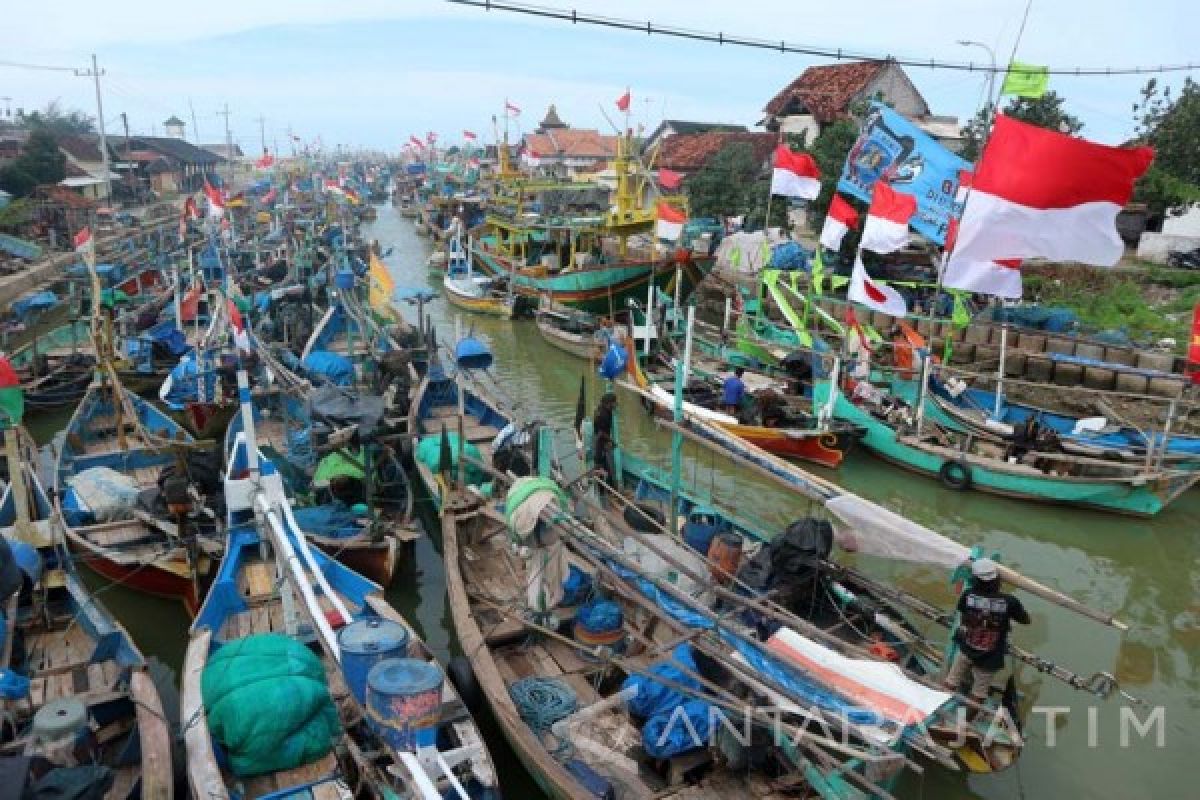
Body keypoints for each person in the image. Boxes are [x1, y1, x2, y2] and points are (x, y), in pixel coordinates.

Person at [944, 558, 1031, 704]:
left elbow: (963, 613)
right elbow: (1026, 620)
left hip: (966, 648)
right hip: (989, 656)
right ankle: (966, 723)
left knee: (951, 681)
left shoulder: (968, 595)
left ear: (975, 579)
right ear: (996, 579)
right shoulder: (1009, 601)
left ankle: (938, 706)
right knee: (978, 693)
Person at [592, 392, 618, 488]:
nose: (616, 404)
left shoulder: (604, 410)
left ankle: (606, 485)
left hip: (602, 439)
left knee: (605, 465)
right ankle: (602, 488)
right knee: (601, 465)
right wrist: (611, 441)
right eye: (614, 402)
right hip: (600, 441)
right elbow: (600, 433)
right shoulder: (603, 415)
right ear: (609, 403)